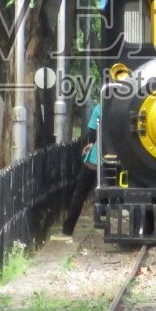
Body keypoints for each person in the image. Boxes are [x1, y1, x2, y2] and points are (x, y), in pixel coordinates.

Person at [61, 100, 101, 237]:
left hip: (97, 157)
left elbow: (92, 134)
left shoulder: (99, 108)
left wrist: (92, 145)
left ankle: (68, 229)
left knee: (80, 192)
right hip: (123, 159)